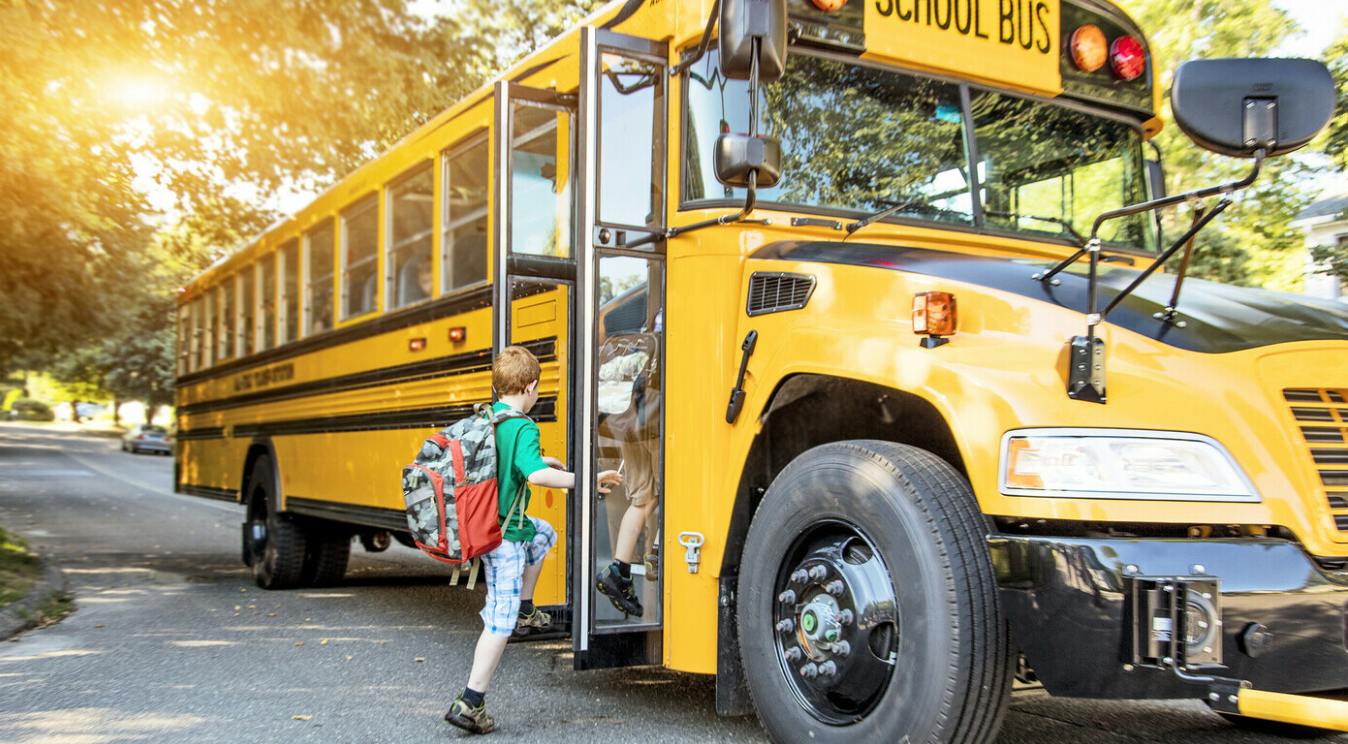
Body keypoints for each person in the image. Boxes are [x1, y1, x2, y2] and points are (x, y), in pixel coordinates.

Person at [445, 345, 622, 735]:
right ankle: (470, 701)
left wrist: (545, 461)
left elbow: (518, 463)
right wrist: (584, 480)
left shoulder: (491, 418)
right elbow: (536, 477)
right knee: (498, 621)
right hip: (503, 540)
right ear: (531, 387)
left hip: (494, 527)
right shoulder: (524, 424)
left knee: (543, 534)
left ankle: (527, 607)